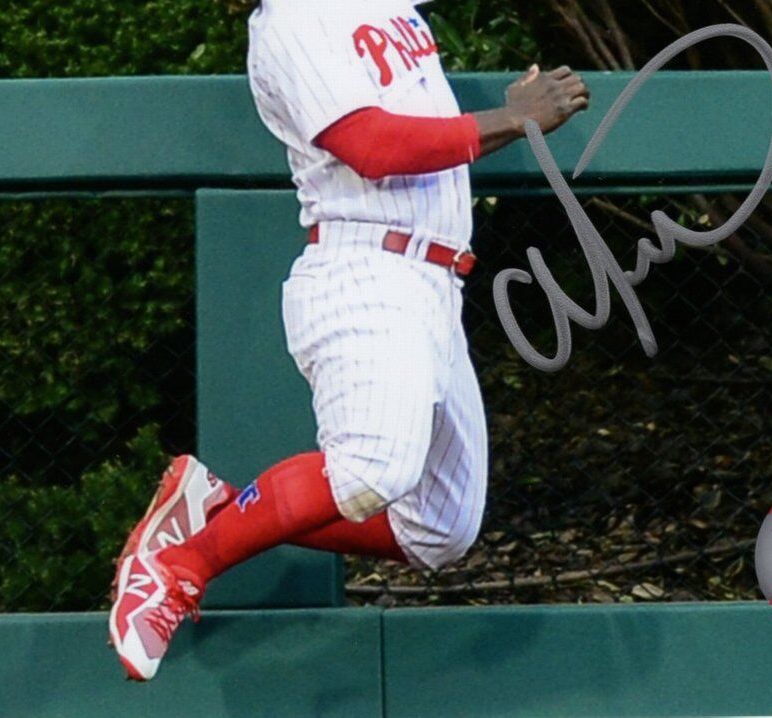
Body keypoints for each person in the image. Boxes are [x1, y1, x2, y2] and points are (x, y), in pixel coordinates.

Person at [109, 0, 589, 681]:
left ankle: (218, 509)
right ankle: (178, 564)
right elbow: (372, 147)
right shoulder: (291, 21)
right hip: (365, 267)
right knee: (372, 470)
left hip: (435, 285)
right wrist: (513, 118)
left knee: (442, 528)